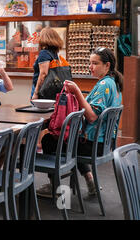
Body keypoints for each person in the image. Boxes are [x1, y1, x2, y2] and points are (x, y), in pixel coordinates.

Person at [37, 47, 123, 197]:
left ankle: (54, 186)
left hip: (92, 145)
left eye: (95, 63)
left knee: (48, 140)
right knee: (71, 139)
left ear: (107, 65)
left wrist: (77, 91)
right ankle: (90, 181)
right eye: (90, 63)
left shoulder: (104, 85)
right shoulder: (112, 83)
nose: (91, 67)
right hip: (104, 143)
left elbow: (91, 117)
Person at [31, 27, 64, 100]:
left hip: (42, 89)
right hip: (51, 89)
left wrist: (36, 93)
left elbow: (43, 74)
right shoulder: (54, 54)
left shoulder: (44, 53)